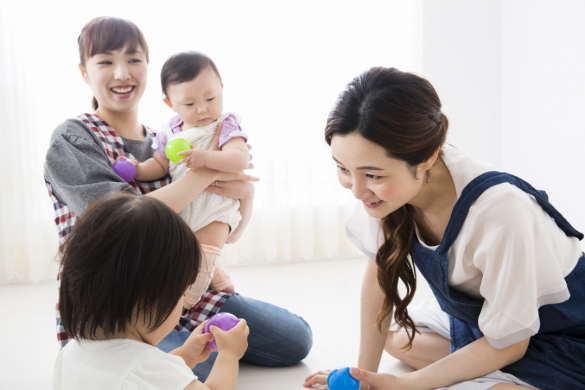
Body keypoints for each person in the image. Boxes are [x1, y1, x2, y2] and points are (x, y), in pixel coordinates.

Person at [44, 16, 312, 381]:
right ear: (83, 71)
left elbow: (226, 232)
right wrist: (210, 169)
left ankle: (179, 345)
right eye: (105, 61)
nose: (122, 73)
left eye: (134, 59)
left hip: (179, 289)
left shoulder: (168, 140)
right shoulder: (73, 139)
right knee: (191, 365)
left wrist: (245, 197)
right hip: (116, 310)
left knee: (295, 339)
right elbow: (120, 219)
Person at [304, 67, 585, 390]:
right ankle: (491, 369)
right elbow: (378, 282)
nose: (356, 190)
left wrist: (405, 385)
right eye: (343, 169)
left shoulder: (501, 211)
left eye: (373, 175)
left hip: (565, 334)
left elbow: (511, 343)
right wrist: (363, 379)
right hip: (488, 322)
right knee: (397, 338)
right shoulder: (386, 190)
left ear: (426, 157)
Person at [53, 192, 249, 389]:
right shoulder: (145, 369)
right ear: (152, 297)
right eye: (182, 292)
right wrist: (229, 355)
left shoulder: (70, 353)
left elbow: (145, 378)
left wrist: (187, 355)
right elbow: (147, 373)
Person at [133, 51, 250, 309]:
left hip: (215, 207)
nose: (202, 109)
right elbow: (160, 164)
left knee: (199, 262)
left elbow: (240, 159)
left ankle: (187, 302)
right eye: (189, 104)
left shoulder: (225, 124)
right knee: (190, 251)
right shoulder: (170, 131)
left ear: (221, 88)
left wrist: (207, 158)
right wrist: (139, 170)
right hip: (186, 205)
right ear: (170, 104)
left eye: (210, 98)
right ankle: (223, 284)